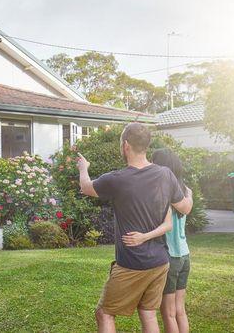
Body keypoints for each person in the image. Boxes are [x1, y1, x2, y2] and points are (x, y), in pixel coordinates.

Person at [77, 123, 193, 333]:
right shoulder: (166, 175)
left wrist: (83, 168)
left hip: (132, 263)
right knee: (148, 313)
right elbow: (184, 207)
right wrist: (190, 195)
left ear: (126, 146)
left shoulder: (117, 179)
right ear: (146, 146)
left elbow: (85, 187)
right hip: (160, 262)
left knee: (105, 314)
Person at [152, 148, 192, 333]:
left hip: (170, 257)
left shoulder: (163, 193)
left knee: (168, 312)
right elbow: (187, 208)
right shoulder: (184, 191)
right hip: (184, 256)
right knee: (179, 310)